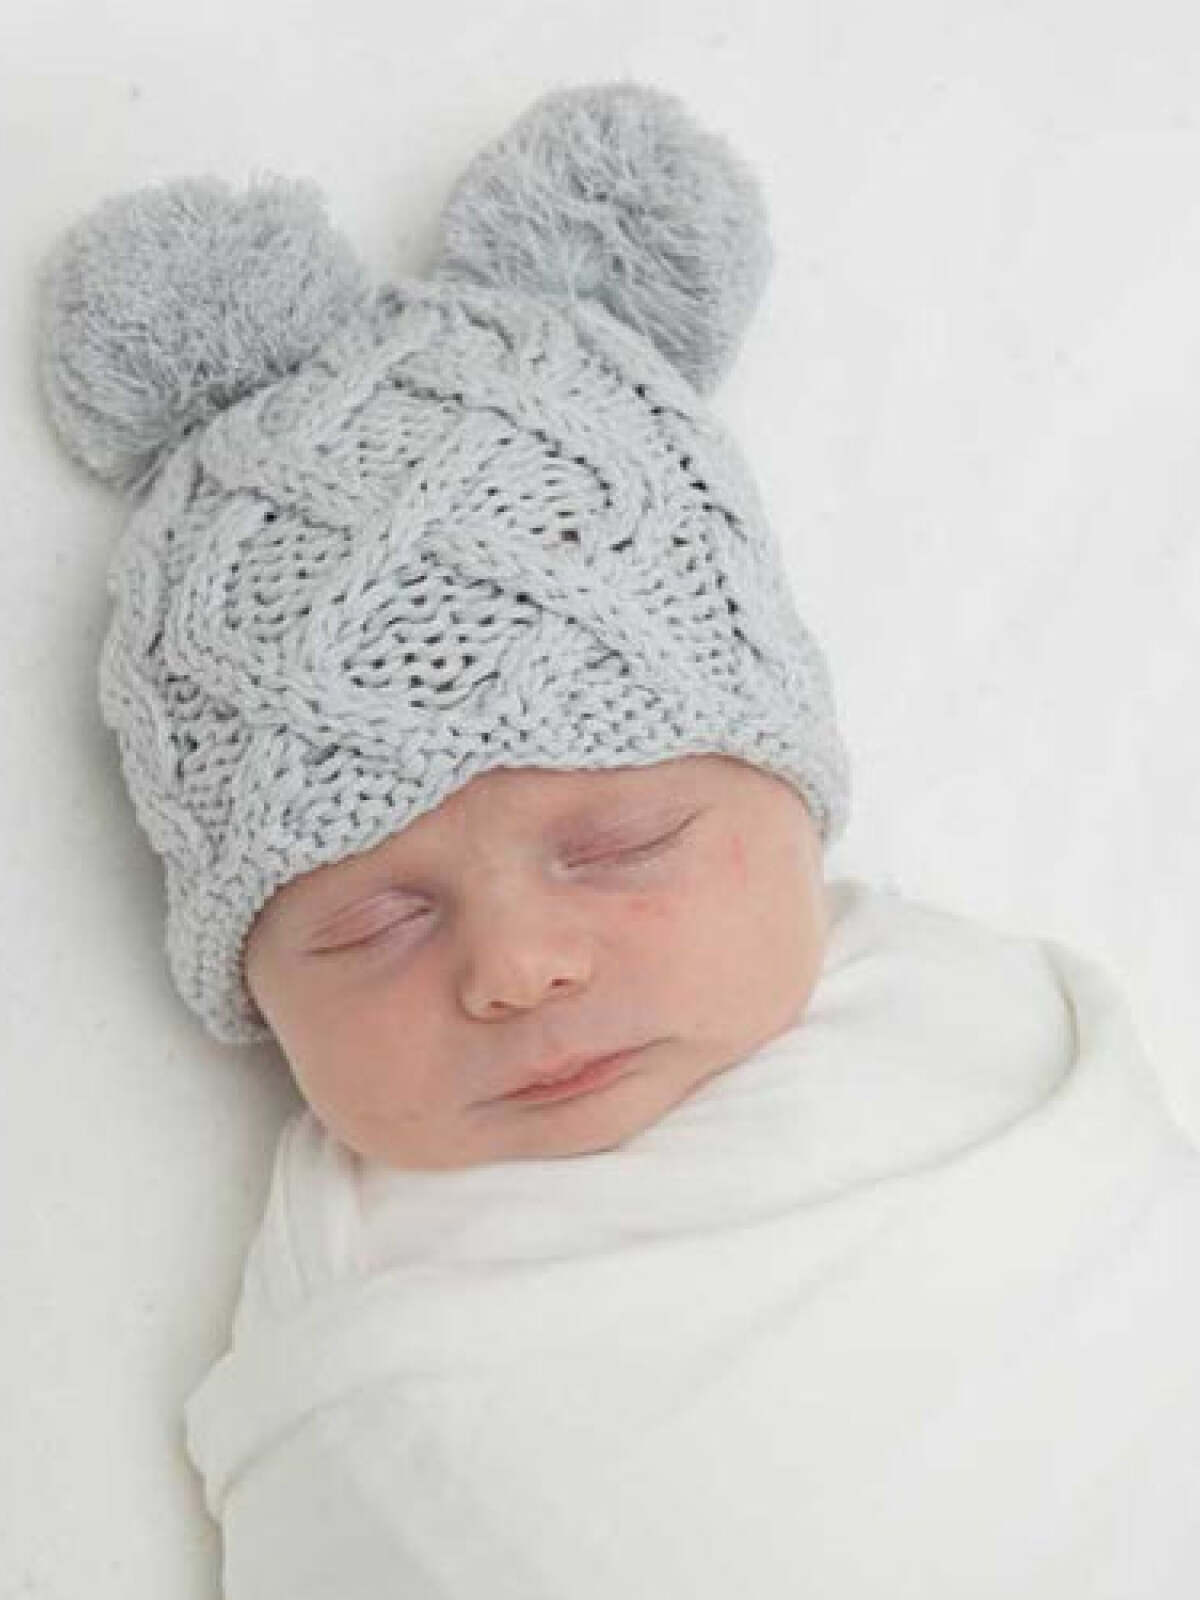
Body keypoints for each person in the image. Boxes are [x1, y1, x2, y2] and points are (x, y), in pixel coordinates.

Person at [38, 79, 1200, 1599]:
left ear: (791, 796)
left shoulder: (976, 1035)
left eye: (625, 842)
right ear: (247, 988)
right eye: (373, 923)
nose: (518, 966)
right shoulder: (351, 1291)